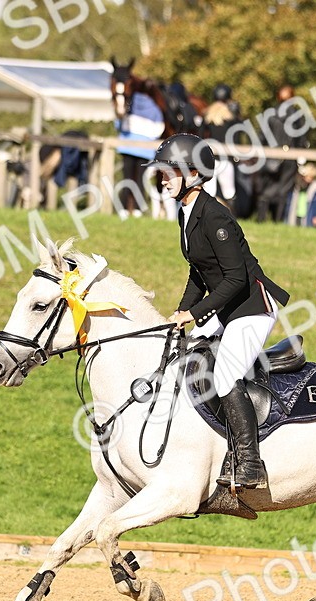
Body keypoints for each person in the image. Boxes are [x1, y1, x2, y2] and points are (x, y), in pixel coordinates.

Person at [145, 133, 291, 490]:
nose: (161, 178)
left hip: (252, 307)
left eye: (168, 171)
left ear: (193, 173)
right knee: (188, 357)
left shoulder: (215, 217)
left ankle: (249, 463)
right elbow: (199, 272)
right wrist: (181, 311)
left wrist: (196, 315)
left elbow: (236, 278)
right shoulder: (186, 213)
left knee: (225, 376)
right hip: (228, 307)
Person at [254, 84, 306, 223]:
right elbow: (301, 141)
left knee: (266, 190)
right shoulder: (298, 116)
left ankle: (261, 219)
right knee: (283, 192)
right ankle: (278, 221)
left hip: (270, 156)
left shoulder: (269, 114)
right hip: (289, 158)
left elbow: (261, 138)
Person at [115, 78, 166, 218]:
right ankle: (137, 209)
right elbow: (159, 128)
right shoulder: (154, 107)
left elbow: (118, 123)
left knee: (127, 178)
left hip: (126, 146)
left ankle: (123, 209)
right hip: (146, 149)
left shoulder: (129, 103)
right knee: (140, 180)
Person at [202, 83, 242, 208]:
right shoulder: (231, 117)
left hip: (210, 160)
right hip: (226, 160)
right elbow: (237, 138)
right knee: (229, 193)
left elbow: (200, 137)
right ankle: (232, 220)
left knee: (209, 193)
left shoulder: (207, 116)